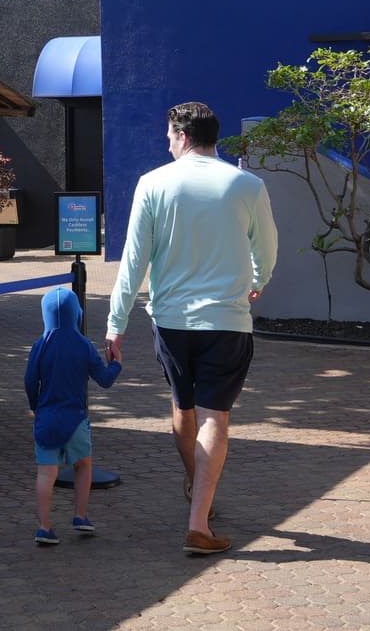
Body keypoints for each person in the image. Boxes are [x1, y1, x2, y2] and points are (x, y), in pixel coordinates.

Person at [105, 101, 276, 556]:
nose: (167, 142)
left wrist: (114, 325)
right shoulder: (248, 185)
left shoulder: (152, 184)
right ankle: (199, 517)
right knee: (215, 414)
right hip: (227, 319)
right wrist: (256, 283)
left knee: (184, 407)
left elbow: (133, 262)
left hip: (172, 320)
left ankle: (196, 488)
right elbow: (269, 249)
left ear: (181, 136)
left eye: (168, 136)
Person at [25, 285, 121, 546]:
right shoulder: (84, 346)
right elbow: (104, 380)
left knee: (46, 474)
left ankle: (44, 527)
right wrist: (116, 363)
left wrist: (36, 407)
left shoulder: (40, 346)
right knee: (84, 465)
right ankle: (81, 516)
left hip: (46, 418)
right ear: (76, 314)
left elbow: (30, 381)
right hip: (76, 419)